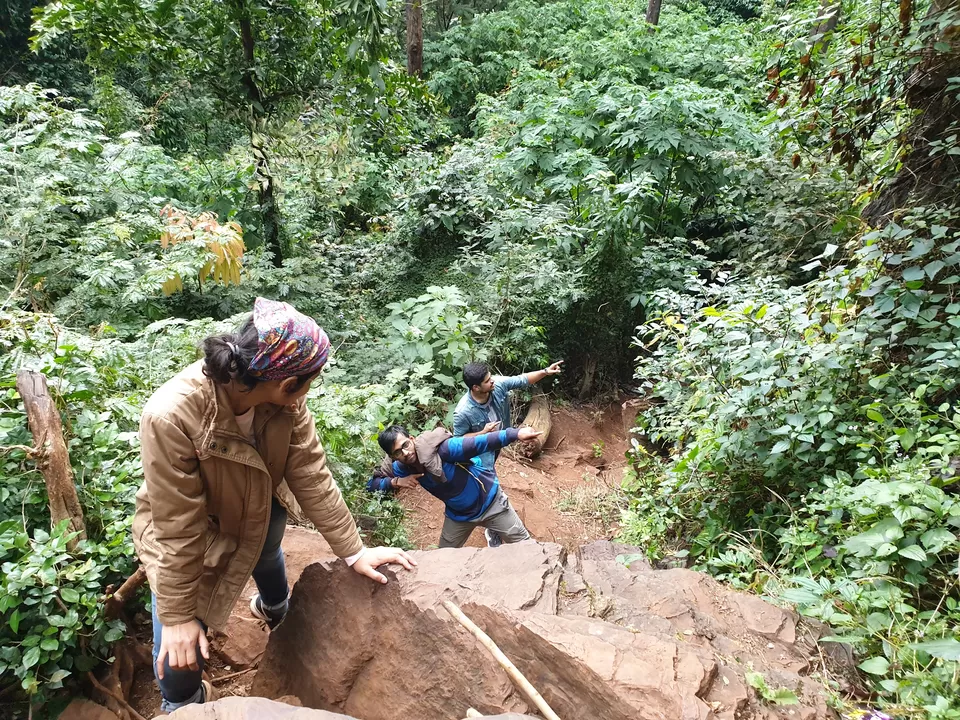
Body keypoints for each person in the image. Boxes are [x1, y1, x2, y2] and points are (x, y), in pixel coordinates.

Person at [133, 297, 415, 713]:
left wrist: (355, 550)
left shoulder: (287, 400)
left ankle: (274, 608)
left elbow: (310, 473)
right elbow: (177, 526)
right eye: (312, 379)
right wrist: (177, 617)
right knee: (177, 654)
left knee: (267, 552)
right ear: (287, 383)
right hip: (191, 537)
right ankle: (183, 704)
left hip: (260, 511)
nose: (309, 390)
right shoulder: (171, 416)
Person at [367, 424, 540, 548]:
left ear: (412, 439)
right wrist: (395, 482)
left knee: (527, 548)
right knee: (444, 558)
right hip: (459, 516)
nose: (405, 453)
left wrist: (515, 434)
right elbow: (371, 484)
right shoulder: (400, 468)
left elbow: (480, 442)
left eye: (405, 445)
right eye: (398, 452)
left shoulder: (444, 450)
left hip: (491, 503)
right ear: (392, 457)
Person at [452, 360, 562, 545]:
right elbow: (458, 441)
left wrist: (545, 371)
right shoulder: (463, 412)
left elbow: (522, 380)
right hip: (480, 455)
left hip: (496, 447)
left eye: (491, 377)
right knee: (492, 490)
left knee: (488, 489)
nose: (492, 381)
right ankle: (493, 531)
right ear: (476, 387)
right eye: (487, 381)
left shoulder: (497, 386)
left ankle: (491, 518)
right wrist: (482, 433)